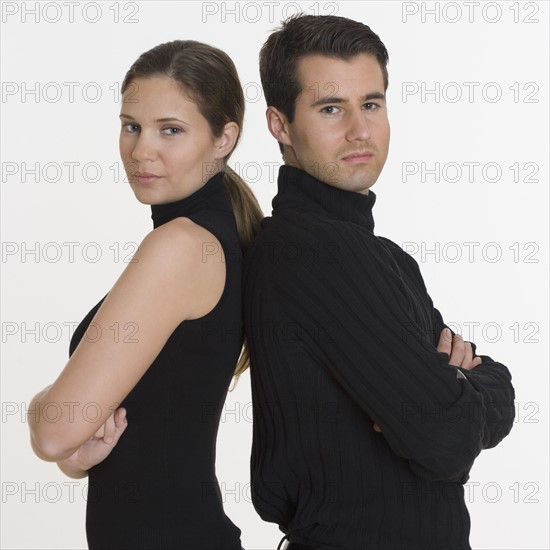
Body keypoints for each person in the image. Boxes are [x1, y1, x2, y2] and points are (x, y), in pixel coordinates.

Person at [243, 14, 516, 550]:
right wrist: (456, 389)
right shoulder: (317, 250)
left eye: (371, 104)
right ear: (280, 125)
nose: (359, 130)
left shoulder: (381, 257)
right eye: (330, 109)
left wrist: (460, 391)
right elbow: (445, 440)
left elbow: (489, 392)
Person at [28, 40, 262, 549]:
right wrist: (76, 452)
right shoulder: (206, 236)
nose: (140, 150)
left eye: (170, 130)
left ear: (225, 138)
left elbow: (52, 432)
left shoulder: (180, 245)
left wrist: (41, 407)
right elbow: (90, 443)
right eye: (131, 125)